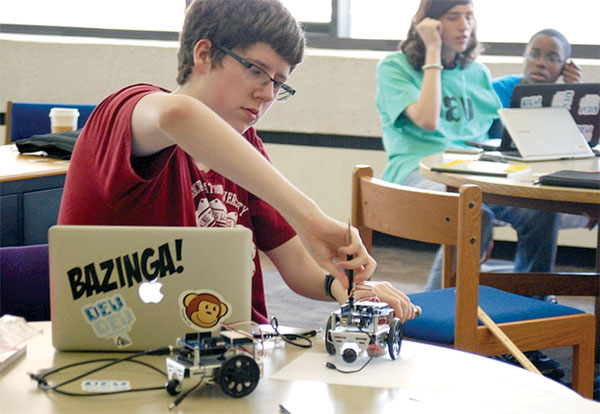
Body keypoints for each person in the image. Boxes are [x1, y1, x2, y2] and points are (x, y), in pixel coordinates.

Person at [57, 0, 416, 326]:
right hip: (129, 355)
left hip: (237, 351)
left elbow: (296, 266)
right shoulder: (125, 112)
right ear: (203, 54)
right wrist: (310, 217)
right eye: (256, 70)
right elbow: (179, 114)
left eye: (279, 84)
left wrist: (341, 286)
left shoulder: (246, 149)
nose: (266, 94)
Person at [375, 0, 562, 378]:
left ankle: (522, 323)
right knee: (476, 213)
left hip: (478, 171)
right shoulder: (393, 67)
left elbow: (501, 132)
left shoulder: (477, 72)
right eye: (453, 16)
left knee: (541, 212)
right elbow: (427, 121)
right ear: (429, 22)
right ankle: (426, 324)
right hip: (418, 169)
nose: (465, 25)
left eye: (469, 16)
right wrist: (432, 53)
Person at [493, 28, 595, 230]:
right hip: (503, 180)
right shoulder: (496, 90)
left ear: (565, 67)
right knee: (545, 214)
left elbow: (580, 147)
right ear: (524, 57)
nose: (541, 62)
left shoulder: (563, 98)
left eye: (552, 57)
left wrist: (575, 93)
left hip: (541, 182)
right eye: (534, 54)